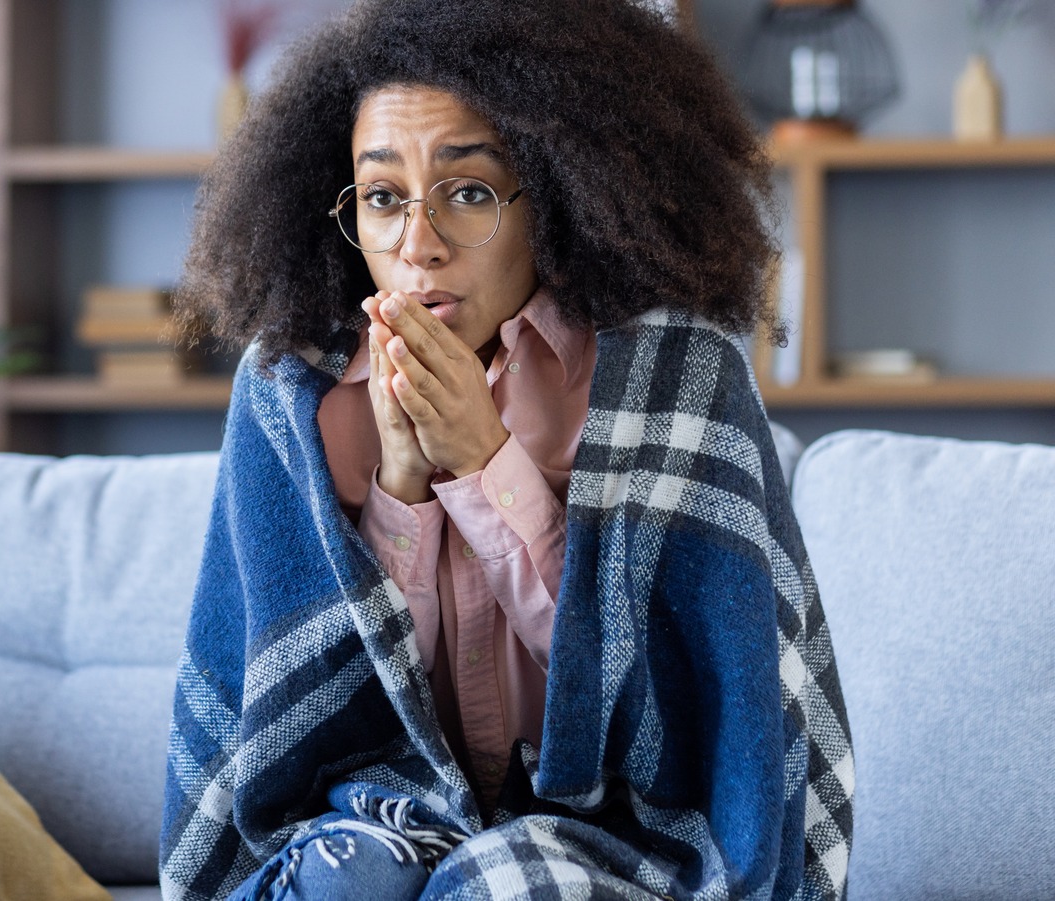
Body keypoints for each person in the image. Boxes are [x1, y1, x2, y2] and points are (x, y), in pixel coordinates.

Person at [160, 1, 854, 899]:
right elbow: (302, 719)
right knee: (345, 878)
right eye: (381, 197)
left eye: (472, 191)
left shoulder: (674, 378)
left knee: (509, 880)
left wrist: (488, 466)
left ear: (559, 194)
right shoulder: (292, 392)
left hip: (622, 827)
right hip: (380, 808)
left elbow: (685, 721)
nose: (419, 244)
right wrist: (401, 489)